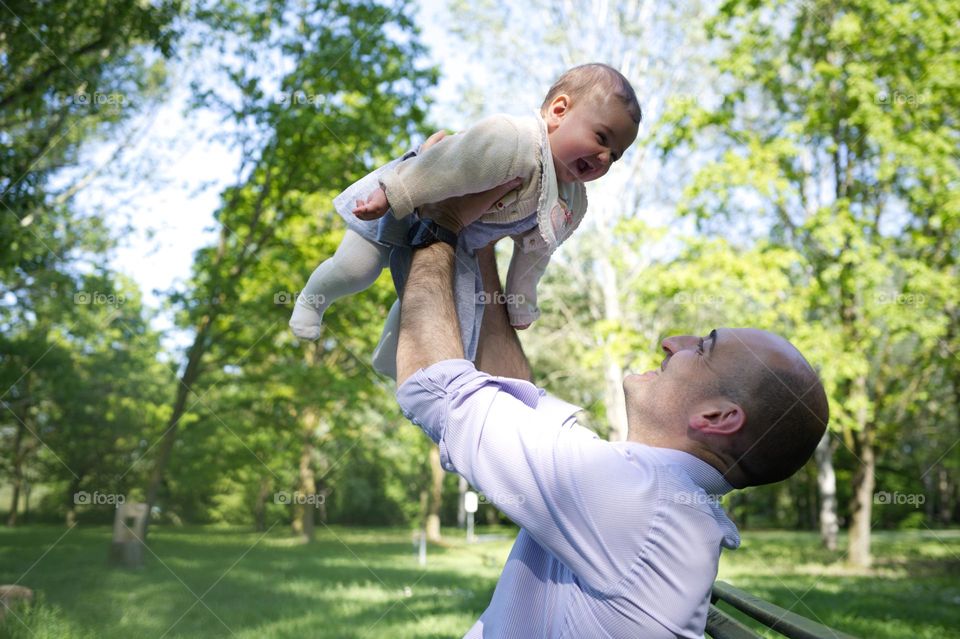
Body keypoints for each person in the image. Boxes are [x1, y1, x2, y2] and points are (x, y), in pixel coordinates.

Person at [392, 186, 830, 638]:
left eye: (702, 348)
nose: (672, 341)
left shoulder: (641, 501)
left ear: (717, 417)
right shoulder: (659, 498)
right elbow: (518, 401)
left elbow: (435, 389)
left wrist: (439, 219)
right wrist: (481, 247)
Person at [288, 63, 641, 375]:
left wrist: (519, 301)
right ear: (559, 111)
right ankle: (313, 298)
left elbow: (537, 251)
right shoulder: (513, 140)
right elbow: (445, 165)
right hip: (411, 194)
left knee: (455, 309)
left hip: (456, 240)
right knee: (357, 267)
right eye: (601, 137)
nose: (604, 157)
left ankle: (394, 355)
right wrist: (390, 193)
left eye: (615, 155)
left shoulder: (570, 201)